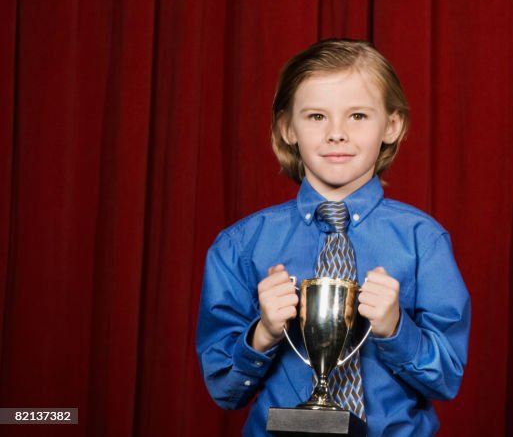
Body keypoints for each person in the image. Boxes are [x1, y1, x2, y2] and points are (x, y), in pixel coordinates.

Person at [196, 38, 470, 436]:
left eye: (357, 115)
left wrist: (396, 328)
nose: (337, 134)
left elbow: (447, 379)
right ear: (287, 128)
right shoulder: (240, 246)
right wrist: (263, 333)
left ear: (392, 125)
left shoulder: (422, 240)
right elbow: (224, 389)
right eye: (316, 116)